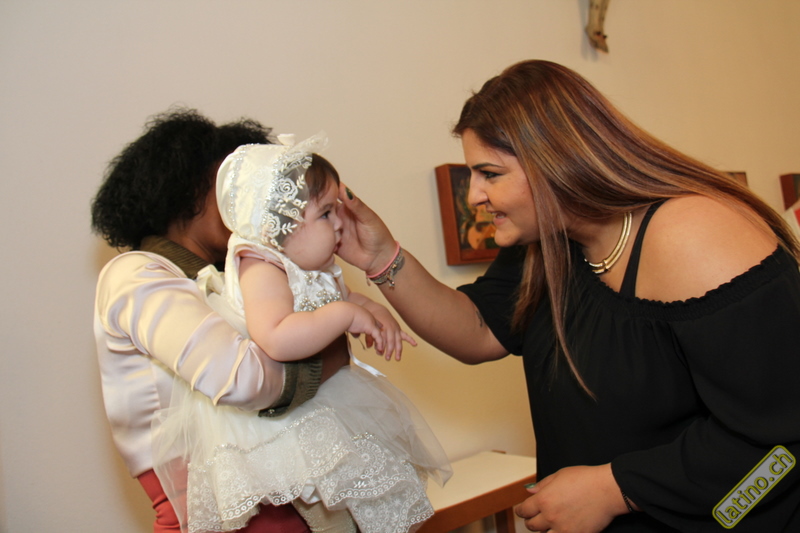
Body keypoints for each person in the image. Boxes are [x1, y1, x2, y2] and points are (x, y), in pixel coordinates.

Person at [334, 60, 800, 532]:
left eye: (489, 173)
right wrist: (380, 257)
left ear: (556, 160)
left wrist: (618, 489)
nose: (473, 195)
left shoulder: (693, 235)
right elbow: (478, 330)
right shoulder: (546, 241)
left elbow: (781, 448)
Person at [151, 134, 451, 533]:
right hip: (282, 421)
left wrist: (376, 314)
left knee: (366, 493)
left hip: (323, 402)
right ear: (277, 227)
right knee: (330, 513)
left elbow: (345, 298)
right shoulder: (262, 267)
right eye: (326, 214)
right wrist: (344, 315)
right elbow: (276, 336)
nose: (340, 223)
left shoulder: (313, 267)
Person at [91, 109, 350, 533]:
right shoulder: (136, 276)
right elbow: (241, 378)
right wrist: (328, 358)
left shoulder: (243, 277)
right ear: (191, 191)